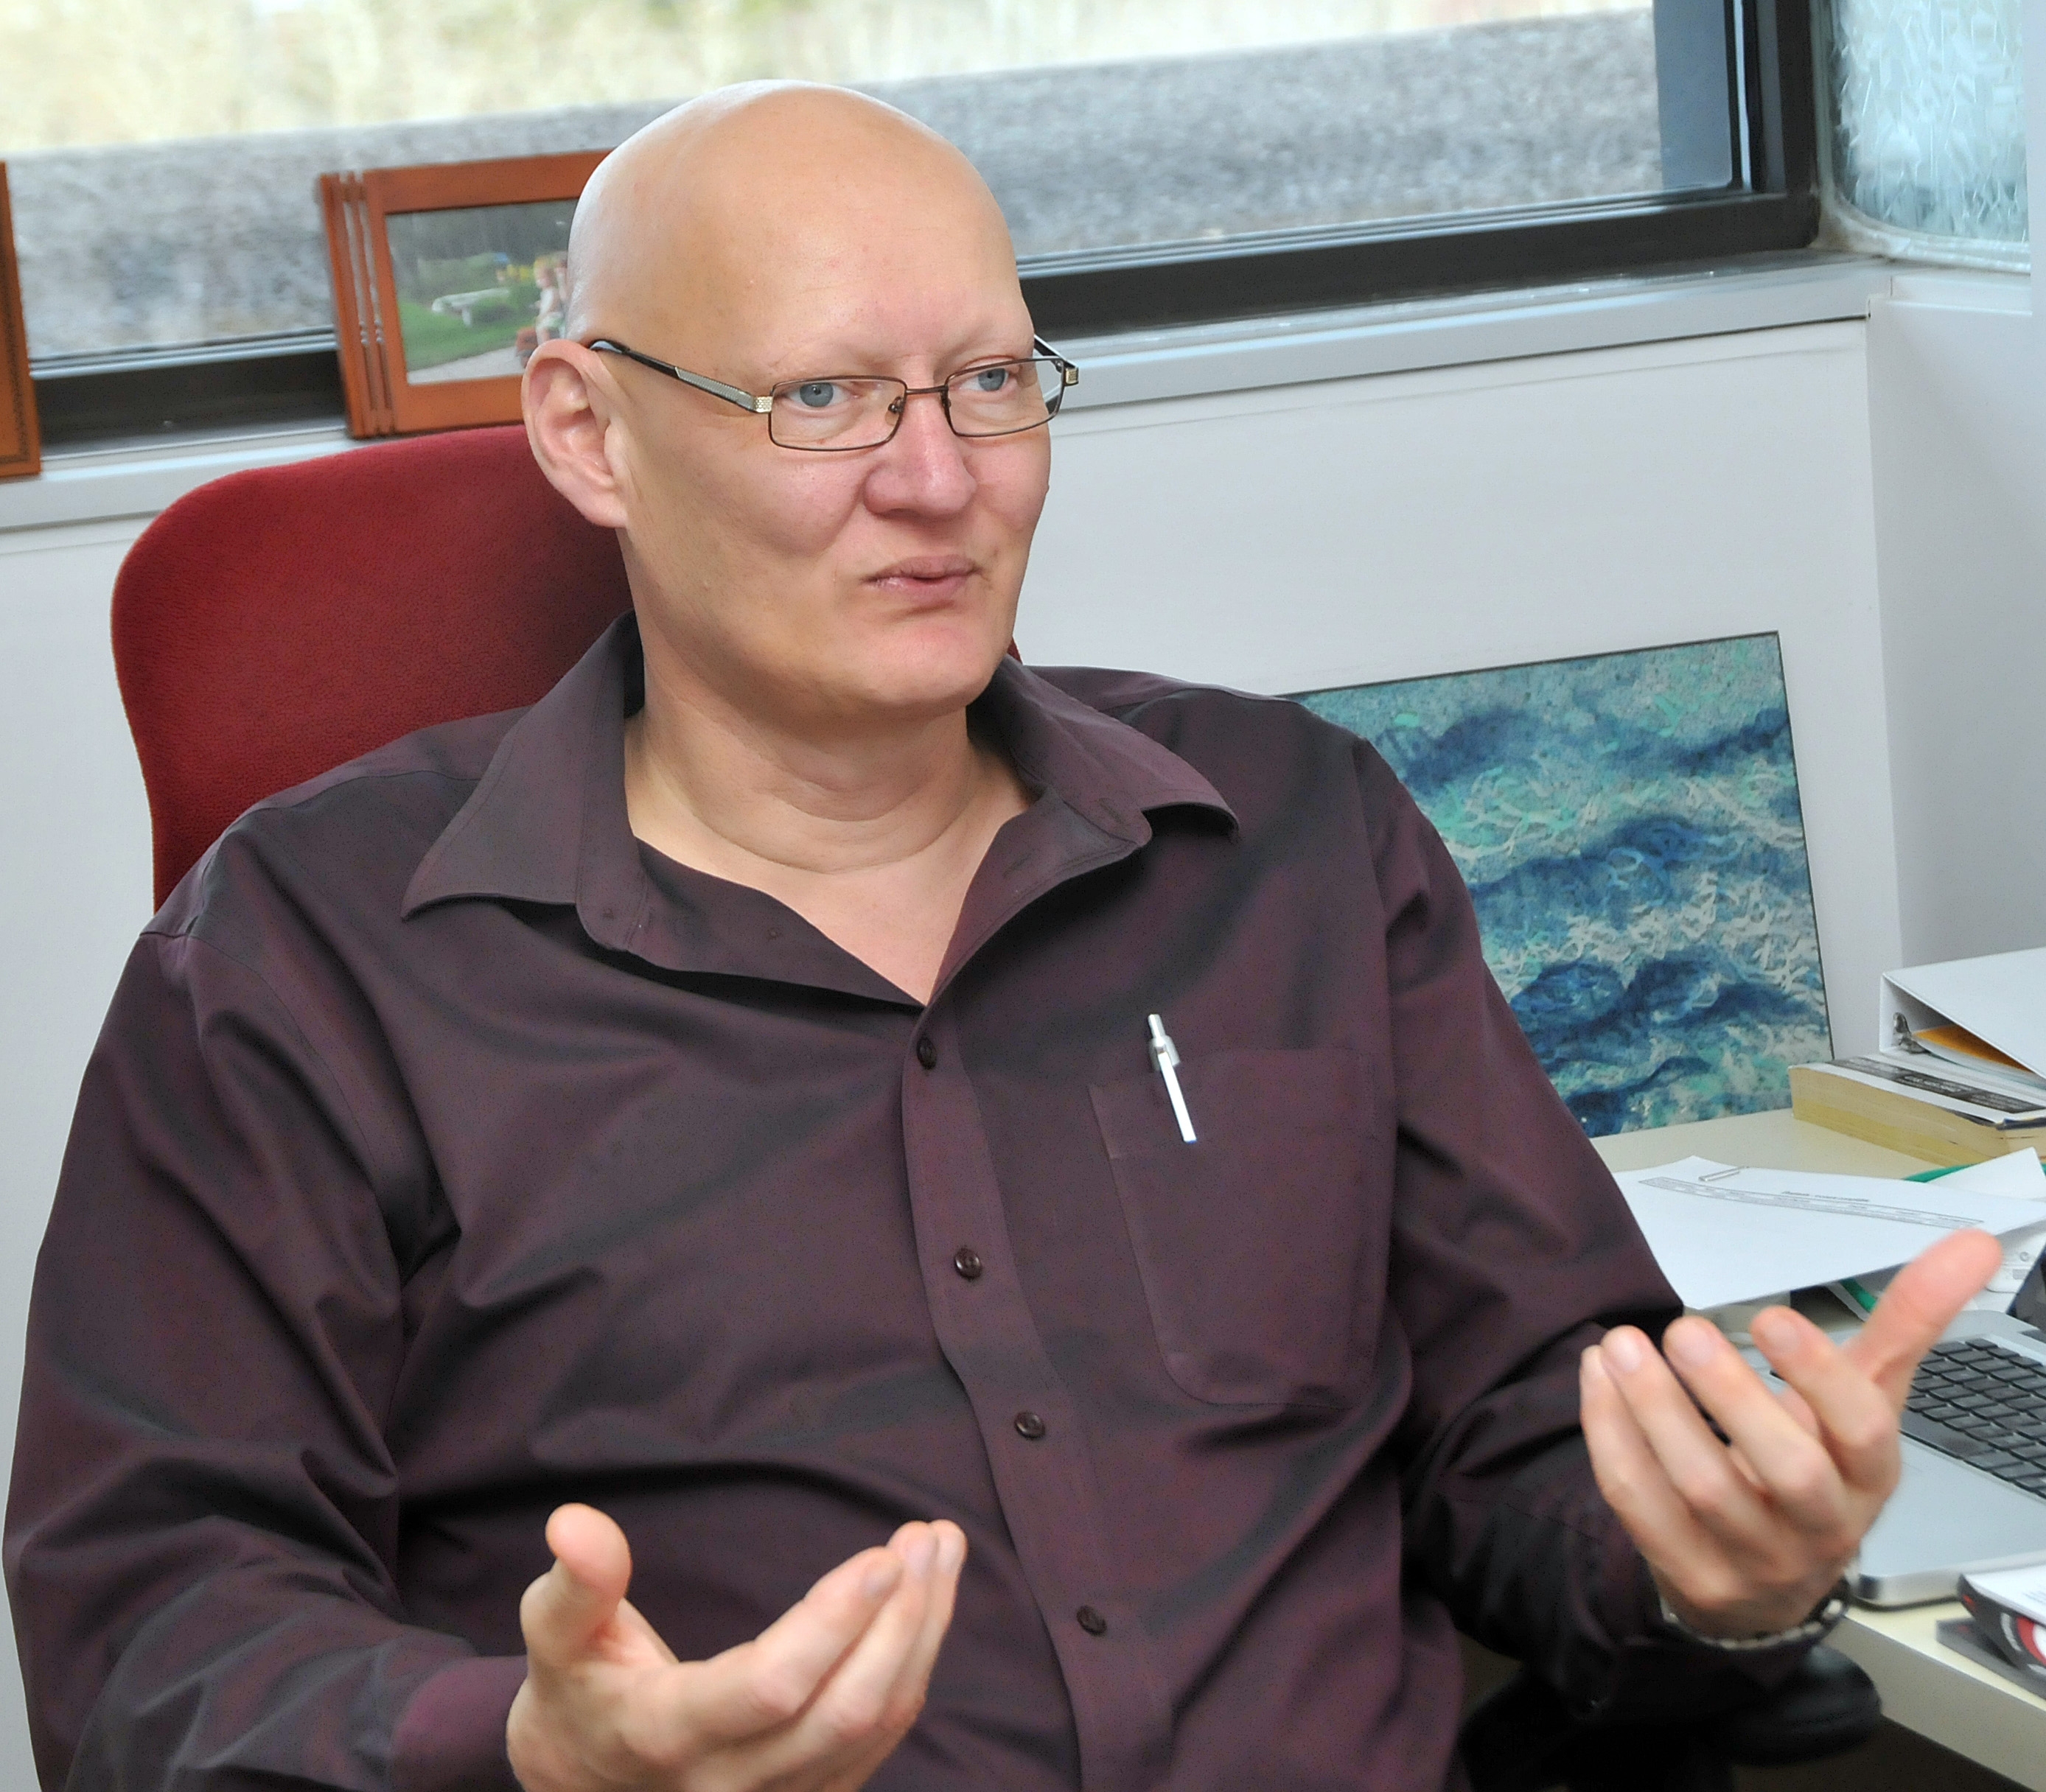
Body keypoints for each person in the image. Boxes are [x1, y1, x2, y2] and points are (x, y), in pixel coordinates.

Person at [5, 83, 1997, 1792]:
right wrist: (525, 1750)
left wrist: (1710, 1564)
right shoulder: (309, 958)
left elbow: (1536, 1416)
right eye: (823, 398)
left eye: (990, 381)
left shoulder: (1291, 841)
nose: (940, 479)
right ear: (589, 431)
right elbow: (156, 1617)